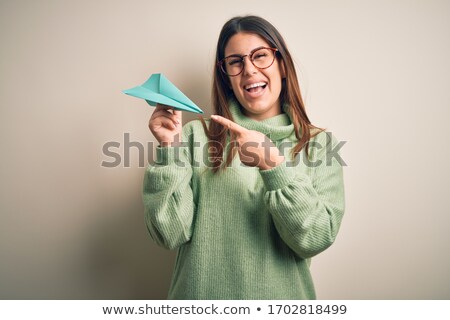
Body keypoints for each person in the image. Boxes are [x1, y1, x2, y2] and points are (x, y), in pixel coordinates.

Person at [143, 15, 345, 299]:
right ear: (226, 75)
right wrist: (169, 149)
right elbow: (169, 233)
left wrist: (272, 164)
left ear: (283, 65)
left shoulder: (319, 144)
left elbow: (315, 237)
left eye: (260, 56)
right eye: (236, 62)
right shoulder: (193, 136)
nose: (249, 70)